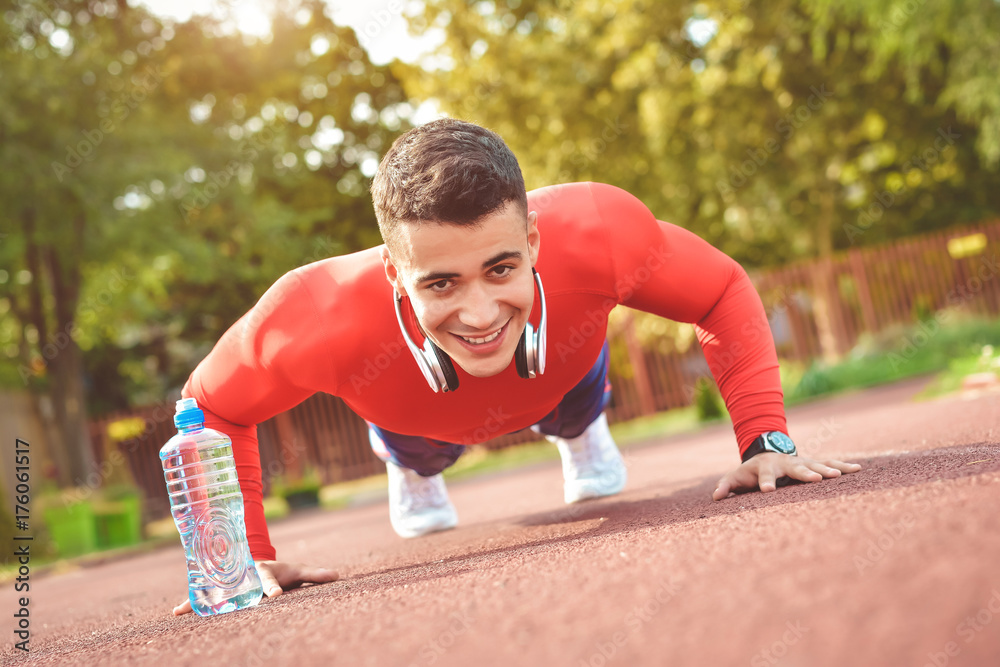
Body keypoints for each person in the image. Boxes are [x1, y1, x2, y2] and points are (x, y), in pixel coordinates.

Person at [171, 118, 861, 615]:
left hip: (565, 377)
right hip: (414, 416)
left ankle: (581, 430)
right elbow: (209, 406)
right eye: (440, 283)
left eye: (501, 268)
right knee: (417, 444)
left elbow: (721, 289)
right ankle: (411, 468)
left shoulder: (599, 229)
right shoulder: (313, 312)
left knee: (575, 379)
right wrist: (244, 555)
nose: (478, 313)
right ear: (393, 273)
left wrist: (766, 440)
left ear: (533, 239)